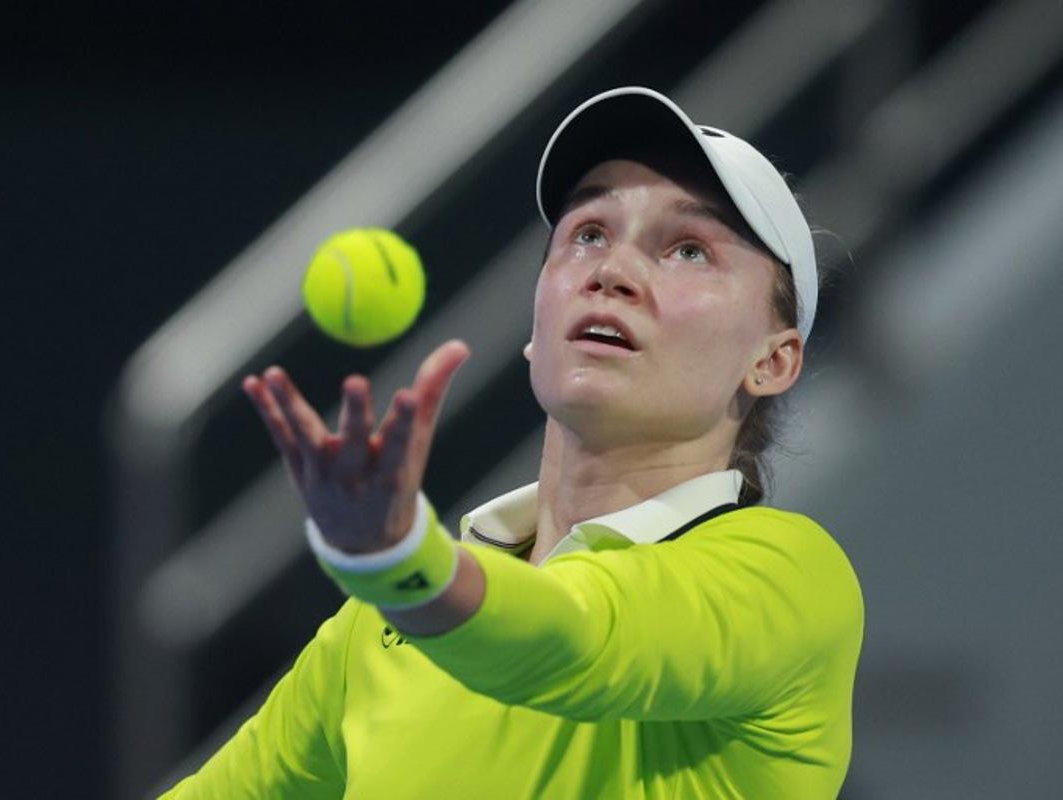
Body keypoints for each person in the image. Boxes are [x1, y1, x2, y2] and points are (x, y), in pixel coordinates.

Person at [161, 86, 863, 799]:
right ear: (535, 329)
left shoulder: (790, 579)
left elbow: (580, 641)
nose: (611, 272)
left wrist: (403, 565)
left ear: (773, 362)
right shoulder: (374, 629)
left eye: (688, 249)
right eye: (588, 233)